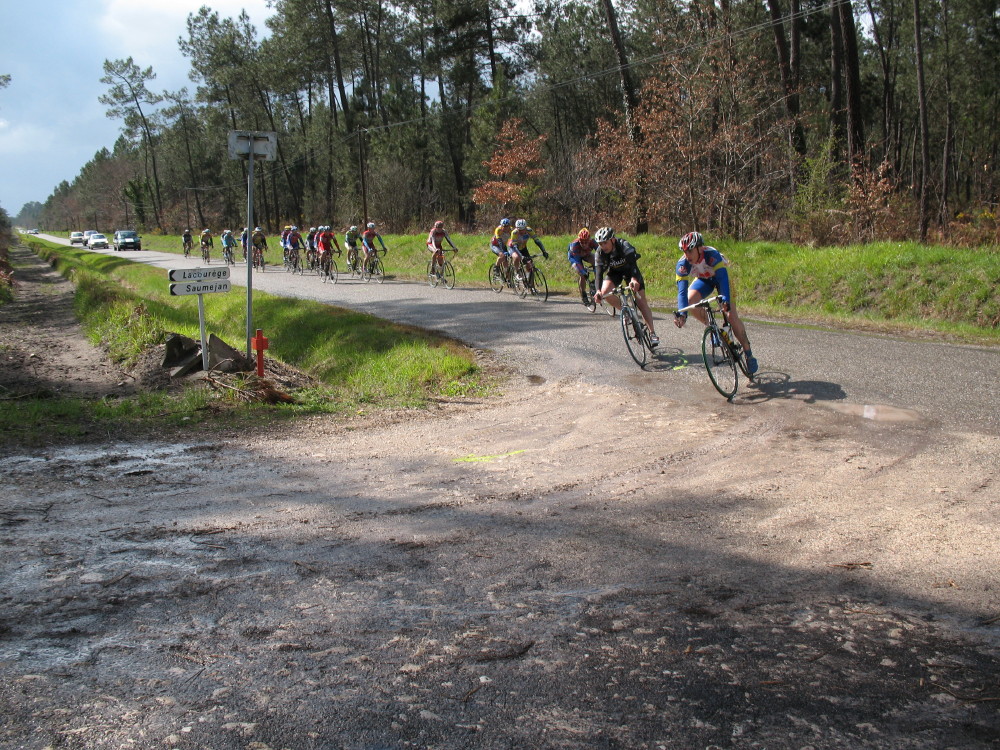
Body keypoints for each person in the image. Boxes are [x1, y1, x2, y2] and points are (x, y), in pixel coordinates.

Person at [673, 231, 757, 374]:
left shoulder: (712, 255)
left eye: (690, 251)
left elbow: (723, 279)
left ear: (700, 248)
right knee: (690, 300)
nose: (687, 255)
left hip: (719, 279)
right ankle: (712, 328)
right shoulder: (682, 264)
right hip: (703, 280)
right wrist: (682, 314)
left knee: (730, 315)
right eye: (685, 251)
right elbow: (682, 292)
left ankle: (749, 354)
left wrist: (725, 301)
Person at [592, 227, 659, 348]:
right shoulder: (599, 252)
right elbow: (598, 273)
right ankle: (626, 312)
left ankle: (652, 333)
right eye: (600, 244)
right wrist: (597, 291)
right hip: (615, 273)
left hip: (630, 271)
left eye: (605, 243)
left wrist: (634, 279)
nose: (603, 246)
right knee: (605, 292)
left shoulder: (624, 245)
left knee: (641, 302)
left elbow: (633, 264)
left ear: (612, 240)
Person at [567, 227, 598, 305]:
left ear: (589, 240)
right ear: (579, 240)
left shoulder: (593, 242)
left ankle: (595, 283)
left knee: (597, 261)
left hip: (585, 254)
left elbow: (601, 254)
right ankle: (583, 295)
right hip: (574, 257)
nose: (584, 244)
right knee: (582, 274)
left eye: (586, 242)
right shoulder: (575, 245)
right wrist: (583, 272)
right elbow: (577, 262)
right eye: (582, 242)